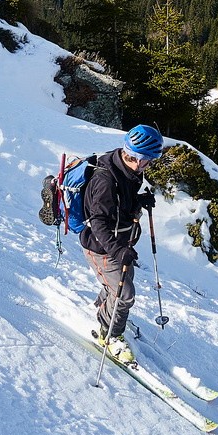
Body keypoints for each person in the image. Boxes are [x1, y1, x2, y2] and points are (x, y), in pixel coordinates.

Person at [81, 124, 164, 364]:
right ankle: (108, 334)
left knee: (120, 284)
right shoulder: (105, 180)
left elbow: (119, 203)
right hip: (102, 247)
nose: (143, 166)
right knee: (125, 294)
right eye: (141, 160)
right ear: (133, 155)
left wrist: (139, 200)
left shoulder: (125, 169)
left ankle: (105, 309)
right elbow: (97, 220)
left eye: (148, 161)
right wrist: (117, 249)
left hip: (120, 242)